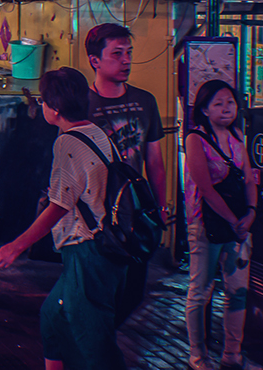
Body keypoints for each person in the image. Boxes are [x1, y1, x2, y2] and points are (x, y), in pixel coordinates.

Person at [0, 67, 126, 370]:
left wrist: (16, 246)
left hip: (88, 251)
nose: (40, 106)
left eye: (42, 101)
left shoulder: (67, 143)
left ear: (55, 109)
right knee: (53, 317)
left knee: (94, 342)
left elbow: (59, 205)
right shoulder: (97, 131)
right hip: (101, 249)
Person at [84, 22, 168, 324]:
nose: (126, 60)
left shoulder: (145, 101)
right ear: (95, 60)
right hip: (95, 219)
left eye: (129, 53)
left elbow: (155, 161)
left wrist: (159, 207)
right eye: (117, 54)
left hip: (134, 215)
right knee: (97, 292)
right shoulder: (83, 105)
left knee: (132, 293)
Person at [183, 80, 263, 370]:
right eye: (218, 103)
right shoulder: (195, 139)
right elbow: (205, 188)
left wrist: (251, 213)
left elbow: (250, 179)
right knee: (200, 289)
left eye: (230, 102)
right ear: (204, 109)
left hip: (239, 225)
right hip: (206, 225)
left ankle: (232, 353)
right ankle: (197, 354)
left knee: (237, 290)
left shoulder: (237, 136)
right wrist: (235, 222)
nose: (226, 108)